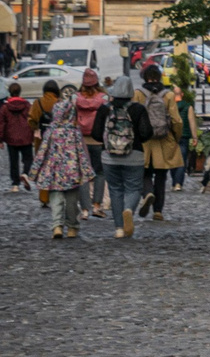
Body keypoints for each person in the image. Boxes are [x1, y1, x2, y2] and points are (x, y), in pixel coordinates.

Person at [29, 81, 89, 239]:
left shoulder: (50, 131)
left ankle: (56, 226)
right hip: (72, 171)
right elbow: (81, 153)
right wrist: (87, 171)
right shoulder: (74, 132)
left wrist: (34, 171)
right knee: (71, 201)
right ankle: (71, 227)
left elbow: (42, 151)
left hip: (53, 171)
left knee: (55, 199)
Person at [98, 74, 151, 237]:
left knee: (115, 190)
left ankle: (119, 228)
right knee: (134, 188)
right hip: (134, 155)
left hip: (109, 157)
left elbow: (95, 133)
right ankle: (128, 209)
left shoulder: (105, 108)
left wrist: (108, 140)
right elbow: (147, 132)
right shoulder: (138, 109)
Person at [137, 64, 186, 219]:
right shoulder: (168, 95)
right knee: (161, 176)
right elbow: (177, 121)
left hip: (144, 142)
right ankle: (158, 210)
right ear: (160, 77)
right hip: (164, 141)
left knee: (144, 173)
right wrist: (175, 138)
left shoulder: (138, 94)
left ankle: (147, 192)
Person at [71, 68, 111, 218]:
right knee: (100, 173)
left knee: (83, 175)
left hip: (80, 139)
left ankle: (85, 210)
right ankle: (96, 206)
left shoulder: (75, 98)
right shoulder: (104, 98)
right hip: (98, 139)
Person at [2, 80, 31, 189]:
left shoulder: (5, 107)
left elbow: (1, 123)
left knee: (13, 161)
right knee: (28, 158)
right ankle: (25, 173)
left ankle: (15, 184)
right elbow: (31, 119)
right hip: (26, 136)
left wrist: (0, 139)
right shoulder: (27, 105)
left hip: (11, 137)